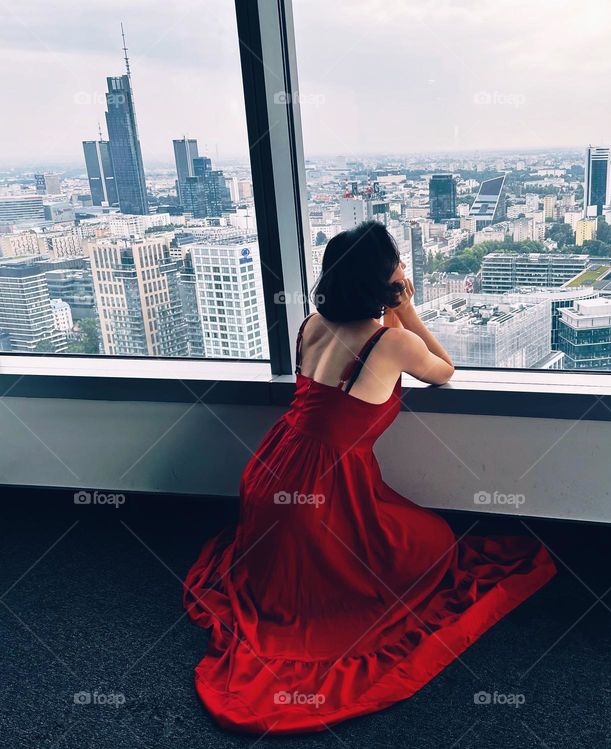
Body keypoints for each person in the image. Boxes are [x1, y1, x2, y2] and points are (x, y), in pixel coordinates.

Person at [184, 221, 556, 734]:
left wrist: (389, 304)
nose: (404, 269)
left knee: (296, 569)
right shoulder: (390, 344)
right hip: (321, 493)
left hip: (271, 473)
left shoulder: (311, 324)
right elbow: (445, 369)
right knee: (436, 544)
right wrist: (404, 307)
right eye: (396, 264)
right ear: (380, 282)